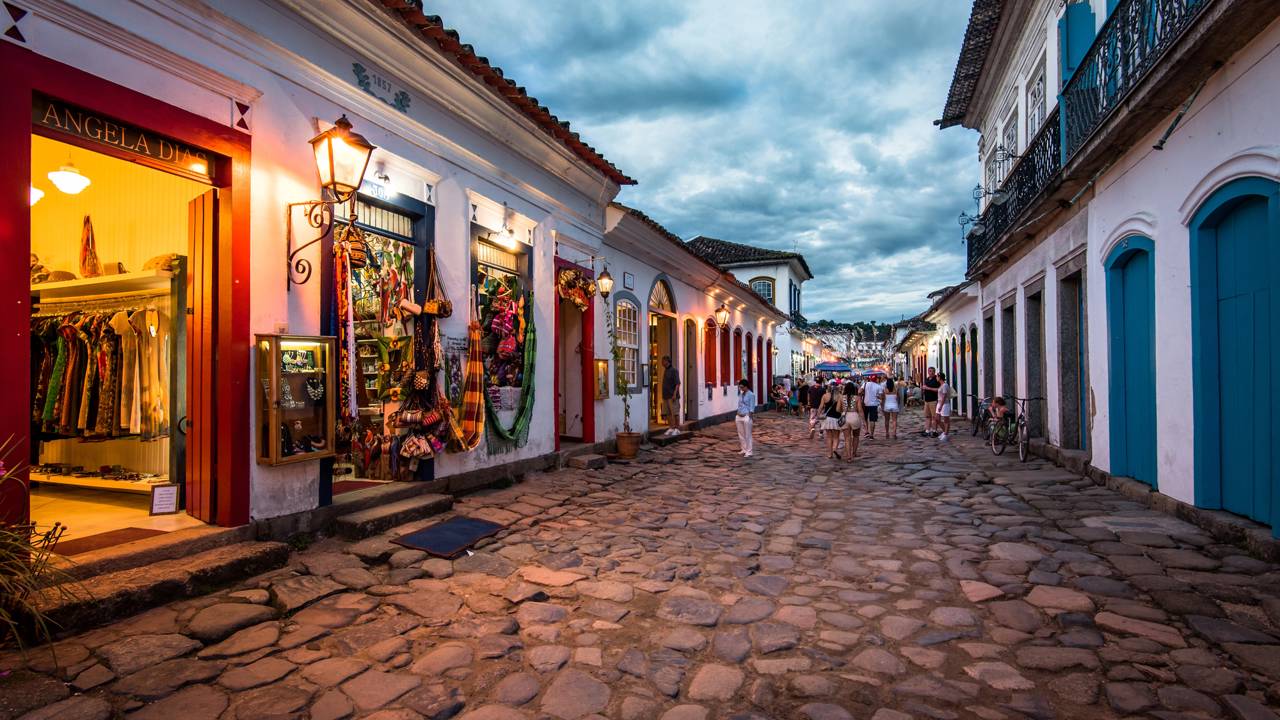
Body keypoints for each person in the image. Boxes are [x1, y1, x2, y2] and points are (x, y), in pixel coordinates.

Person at [819, 381, 844, 459]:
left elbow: (821, 407)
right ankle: (834, 449)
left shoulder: (825, 396)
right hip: (837, 418)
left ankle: (830, 454)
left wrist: (818, 415)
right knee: (836, 437)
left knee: (829, 437)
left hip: (827, 419)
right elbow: (842, 408)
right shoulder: (840, 396)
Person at [841, 380, 863, 461]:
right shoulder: (857, 398)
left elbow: (838, 409)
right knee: (856, 436)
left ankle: (848, 456)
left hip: (845, 416)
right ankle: (854, 452)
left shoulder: (841, 397)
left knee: (847, 438)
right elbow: (860, 410)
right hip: (854, 416)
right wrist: (864, 421)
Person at [735, 378, 755, 457]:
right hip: (739, 416)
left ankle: (749, 451)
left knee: (748, 434)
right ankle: (743, 448)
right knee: (741, 434)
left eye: (742, 387)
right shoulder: (741, 394)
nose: (741, 389)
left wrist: (749, 416)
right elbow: (739, 404)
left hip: (746, 416)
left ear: (746, 386)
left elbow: (752, 407)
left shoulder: (751, 395)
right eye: (740, 387)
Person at [660, 356, 680, 435]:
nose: (662, 362)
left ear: (667, 361)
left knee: (675, 413)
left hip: (672, 396)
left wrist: (675, 394)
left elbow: (677, 383)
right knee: (667, 413)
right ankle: (671, 427)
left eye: (663, 361)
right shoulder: (665, 371)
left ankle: (677, 428)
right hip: (665, 396)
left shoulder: (674, 371)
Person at [861, 373, 883, 440]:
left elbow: (859, 391)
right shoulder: (878, 386)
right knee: (872, 420)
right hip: (874, 404)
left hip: (865, 404)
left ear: (870, 378)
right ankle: (871, 435)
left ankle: (866, 431)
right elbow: (881, 397)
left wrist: (864, 393)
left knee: (865, 418)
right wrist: (877, 396)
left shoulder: (865, 384)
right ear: (876, 379)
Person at [921, 367, 941, 437]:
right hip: (927, 401)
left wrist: (928, 388)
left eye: (932, 371)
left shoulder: (936, 380)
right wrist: (923, 389)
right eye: (929, 371)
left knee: (934, 417)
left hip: (933, 400)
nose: (931, 372)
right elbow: (925, 387)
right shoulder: (927, 379)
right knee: (927, 416)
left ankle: (934, 431)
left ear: (934, 372)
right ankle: (927, 430)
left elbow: (939, 389)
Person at [936, 372, 952, 442]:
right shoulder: (941, 385)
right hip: (939, 403)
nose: (936, 378)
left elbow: (944, 396)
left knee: (946, 419)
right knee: (937, 419)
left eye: (937, 377)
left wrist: (941, 406)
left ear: (940, 377)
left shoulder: (945, 385)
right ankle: (944, 431)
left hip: (944, 404)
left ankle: (946, 434)